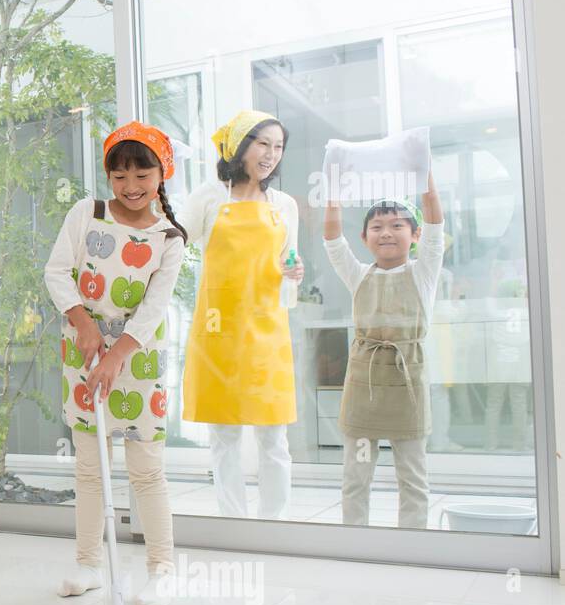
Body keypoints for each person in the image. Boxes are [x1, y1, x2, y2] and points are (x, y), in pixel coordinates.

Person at [43, 121, 186, 605]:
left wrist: (118, 353)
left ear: (161, 174)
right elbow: (57, 271)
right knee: (89, 467)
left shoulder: (170, 238)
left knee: (146, 469)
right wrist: (82, 325)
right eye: (119, 175)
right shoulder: (88, 214)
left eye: (142, 174)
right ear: (108, 177)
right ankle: (88, 564)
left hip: (138, 356)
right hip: (82, 351)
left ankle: (161, 571)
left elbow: (154, 307)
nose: (130, 187)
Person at [178, 111, 302, 520]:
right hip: (219, 330)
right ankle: (233, 522)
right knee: (224, 437)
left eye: (278, 146)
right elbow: (174, 243)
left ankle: (274, 523)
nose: (271, 154)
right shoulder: (211, 196)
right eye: (263, 143)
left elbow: (290, 264)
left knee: (274, 438)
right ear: (240, 146)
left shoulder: (284, 205)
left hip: (267, 330)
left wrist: (295, 273)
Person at [324, 173, 445, 527]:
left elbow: (436, 223)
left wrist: (425, 176)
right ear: (364, 238)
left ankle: (412, 543)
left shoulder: (424, 273)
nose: (387, 232)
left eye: (397, 225)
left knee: (412, 473)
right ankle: (356, 539)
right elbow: (332, 239)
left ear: (415, 234)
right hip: (364, 383)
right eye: (377, 227)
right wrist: (333, 196)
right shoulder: (357, 274)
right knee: (356, 474)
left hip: (409, 382)